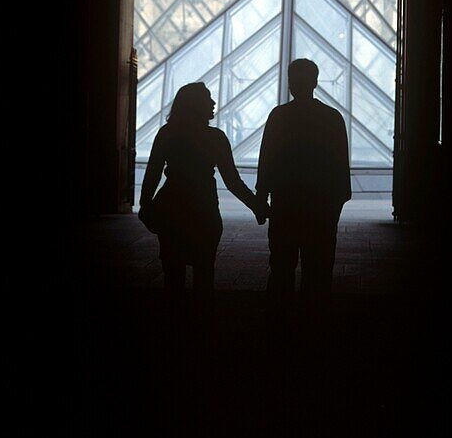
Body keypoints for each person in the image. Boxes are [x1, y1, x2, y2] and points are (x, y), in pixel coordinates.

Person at [138, 81, 265, 311]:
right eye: (208, 98)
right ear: (196, 105)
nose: (214, 102)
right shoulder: (216, 138)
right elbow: (233, 182)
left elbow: (152, 174)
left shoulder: (167, 134)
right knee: (204, 273)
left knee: (172, 277)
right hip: (205, 209)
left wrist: (145, 206)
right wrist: (257, 205)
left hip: (171, 207)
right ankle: (202, 327)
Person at [255, 57, 351, 303]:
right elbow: (341, 164)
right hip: (321, 207)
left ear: (290, 83)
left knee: (281, 267)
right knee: (318, 270)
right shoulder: (332, 117)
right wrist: (337, 202)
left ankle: (280, 323)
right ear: (315, 83)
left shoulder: (278, 116)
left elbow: (266, 159)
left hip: (285, 204)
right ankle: (313, 322)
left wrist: (261, 197)